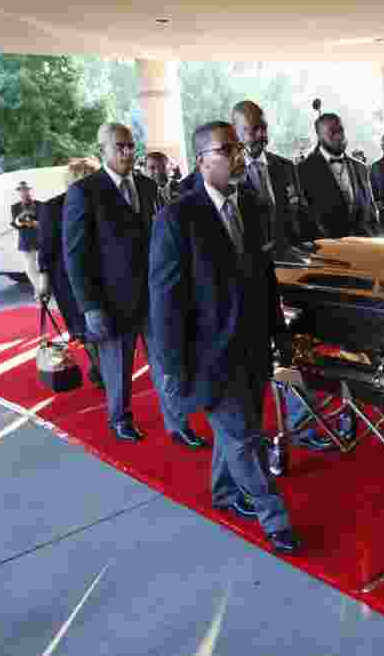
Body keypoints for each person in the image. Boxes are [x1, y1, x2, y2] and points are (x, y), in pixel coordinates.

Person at [149, 120, 299, 554]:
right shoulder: (177, 218)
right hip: (209, 355)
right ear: (201, 160)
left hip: (253, 345)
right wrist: (172, 368)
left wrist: (279, 332)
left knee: (238, 432)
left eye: (237, 148)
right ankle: (274, 517)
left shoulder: (250, 204)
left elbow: (264, 277)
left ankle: (225, 492)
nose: (238, 156)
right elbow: (165, 302)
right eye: (226, 149)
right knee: (245, 438)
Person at [64, 122, 198, 447]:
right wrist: (90, 307)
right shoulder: (85, 192)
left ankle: (178, 424)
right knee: (118, 369)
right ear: (102, 150)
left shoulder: (148, 186)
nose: (127, 152)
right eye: (120, 146)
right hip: (111, 301)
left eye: (130, 145)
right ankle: (120, 419)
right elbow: (76, 255)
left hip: (154, 296)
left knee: (166, 363)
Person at [37, 158, 104, 389]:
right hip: (67, 279)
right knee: (84, 327)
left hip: (101, 274)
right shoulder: (53, 207)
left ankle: (101, 368)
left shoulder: (104, 202)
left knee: (100, 326)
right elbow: (46, 248)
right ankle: (99, 368)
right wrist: (44, 283)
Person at [232, 100, 309, 254]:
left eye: (264, 128)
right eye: (254, 129)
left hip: (290, 257)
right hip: (250, 261)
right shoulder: (228, 173)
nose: (262, 135)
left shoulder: (286, 167)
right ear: (235, 131)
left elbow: (301, 213)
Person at [298, 113, 379, 239]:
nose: (339, 136)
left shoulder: (361, 168)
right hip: (326, 247)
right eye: (332, 132)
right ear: (319, 136)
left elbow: (371, 212)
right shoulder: (303, 170)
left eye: (341, 130)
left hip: (364, 245)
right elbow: (304, 218)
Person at [10, 181, 44, 298]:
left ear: (29, 191)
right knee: (29, 268)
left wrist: (34, 223)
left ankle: (43, 288)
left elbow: (43, 222)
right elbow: (15, 224)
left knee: (41, 265)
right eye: (21, 190)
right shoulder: (15, 207)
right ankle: (38, 289)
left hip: (39, 238)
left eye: (25, 190)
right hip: (25, 240)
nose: (24, 192)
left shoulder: (39, 204)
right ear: (19, 192)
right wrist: (21, 220)